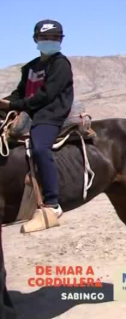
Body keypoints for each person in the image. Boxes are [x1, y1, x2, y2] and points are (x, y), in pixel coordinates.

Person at [0, 20, 74, 218]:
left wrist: (15, 105)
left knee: (40, 147)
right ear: (36, 39)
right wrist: (5, 102)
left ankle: (52, 202)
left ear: (61, 40)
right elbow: (19, 93)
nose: (49, 41)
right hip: (30, 111)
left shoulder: (60, 64)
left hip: (50, 114)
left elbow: (47, 95)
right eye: (45, 38)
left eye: (54, 38)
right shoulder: (30, 67)